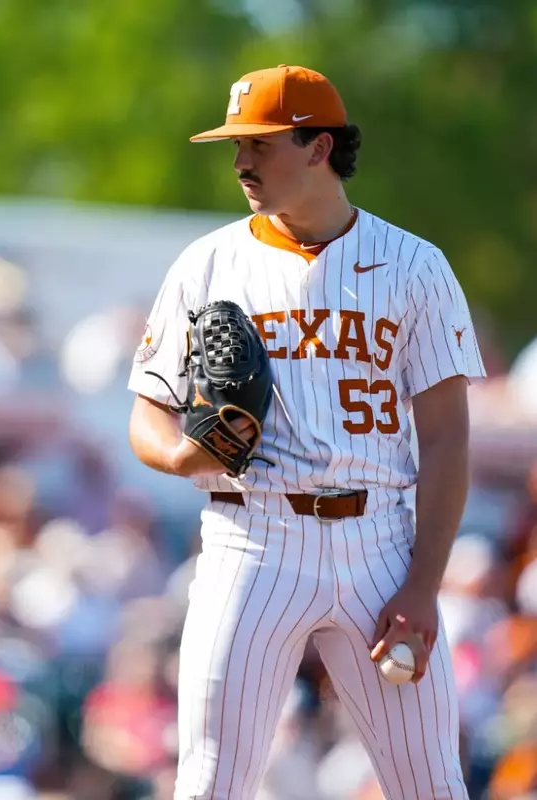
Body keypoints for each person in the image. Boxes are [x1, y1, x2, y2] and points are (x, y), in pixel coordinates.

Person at [127, 64, 486, 800]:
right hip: (251, 537)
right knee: (209, 783)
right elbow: (148, 410)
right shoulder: (209, 262)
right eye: (236, 145)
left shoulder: (415, 266)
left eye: (259, 143)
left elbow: (448, 437)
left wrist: (424, 585)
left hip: (379, 542)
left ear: (319, 147)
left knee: (433, 785)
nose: (240, 161)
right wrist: (181, 454)